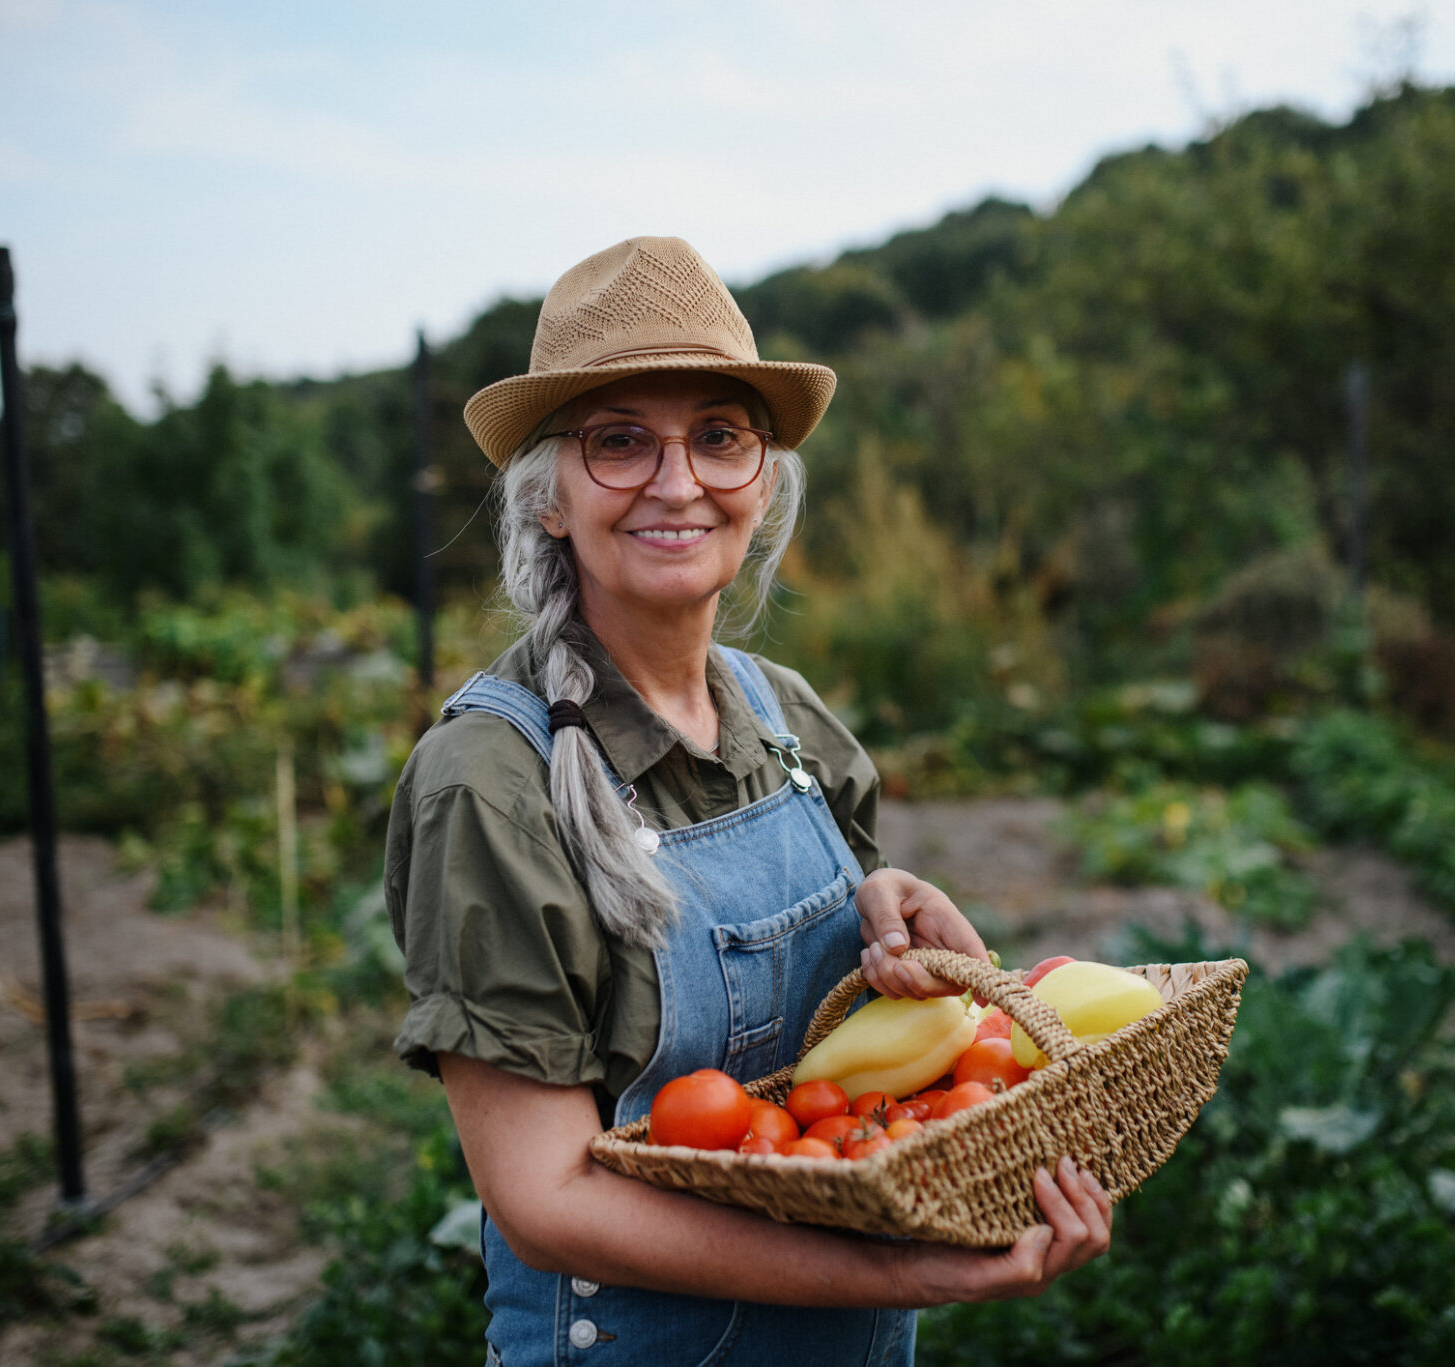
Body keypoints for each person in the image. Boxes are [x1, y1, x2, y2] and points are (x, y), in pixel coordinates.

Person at [384, 237, 1112, 1367]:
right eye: (617, 441)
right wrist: (899, 1268)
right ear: (546, 497)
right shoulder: (490, 780)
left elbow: (843, 1080)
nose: (677, 483)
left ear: (761, 478)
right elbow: (545, 1199)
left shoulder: (790, 719)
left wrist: (883, 922)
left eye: (718, 436)